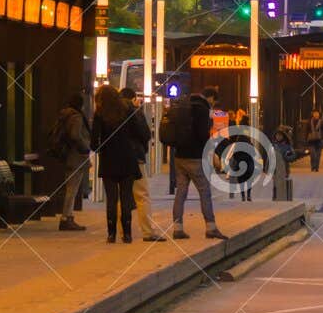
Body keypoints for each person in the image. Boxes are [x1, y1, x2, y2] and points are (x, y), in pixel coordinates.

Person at [159, 87, 225, 241]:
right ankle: (211, 227)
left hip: (179, 156)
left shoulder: (184, 105)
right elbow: (203, 136)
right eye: (214, 103)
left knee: (181, 192)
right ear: (210, 98)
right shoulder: (201, 109)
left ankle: (178, 228)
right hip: (195, 158)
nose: (213, 106)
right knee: (204, 191)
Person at [90, 84, 143, 244]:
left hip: (109, 160)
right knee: (126, 197)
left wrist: (102, 147)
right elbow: (139, 133)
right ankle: (127, 234)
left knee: (111, 199)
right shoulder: (127, 111)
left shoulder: (100, 114)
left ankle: (111, 234)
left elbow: (94, 143)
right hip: (127, 158)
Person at [119, 87, 167, 242]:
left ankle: (122, 232)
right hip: (135, 158)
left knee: (122, 196)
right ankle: (148, 232)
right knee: (142, 195)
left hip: (119, 159)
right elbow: (145, 134)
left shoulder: (112, 112)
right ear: (133, 99)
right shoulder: (135, 111)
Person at [52, 92, 90, 232]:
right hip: (76, 156)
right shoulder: (76, 117)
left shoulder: (64, 115)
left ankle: (68, 217)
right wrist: (85, 148)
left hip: (68, 156)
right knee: (72, 189)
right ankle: (66, 218)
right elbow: (75, 135)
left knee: (70, 187)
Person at [306, 106, 323, 172]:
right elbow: (306, 131)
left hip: (319, 141)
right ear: (312, 114)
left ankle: (316, 167)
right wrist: (305, 139)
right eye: (314, 113)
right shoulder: (309, 121)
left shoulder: (321, 122)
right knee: (313, 154)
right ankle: (313, 167)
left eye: (317, 113)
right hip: (311, 141)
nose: (316, 114)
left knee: (318, 155)